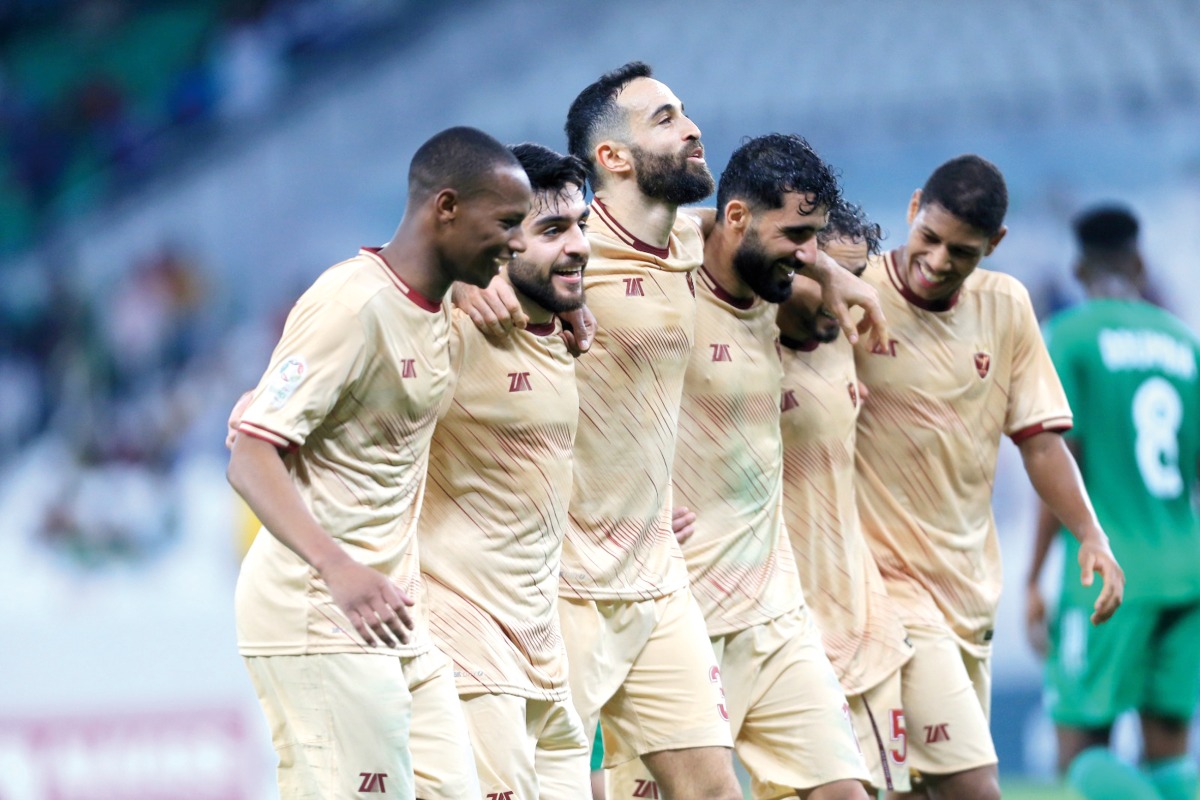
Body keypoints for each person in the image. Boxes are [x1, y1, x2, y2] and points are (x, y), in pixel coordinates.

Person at [226, 126, 530, 799]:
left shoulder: (440, 299)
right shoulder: (350, 304)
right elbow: (250, 453)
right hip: (320, 610)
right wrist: (338, 567)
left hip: (394, 612)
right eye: (507, 223)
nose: (516, 243)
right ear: (445, 207)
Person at [851, 155, 1125, 800]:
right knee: (975, 786)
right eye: (930, 239)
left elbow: (1040, 440)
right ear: (914, 208)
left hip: (970, 595)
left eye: (963, 252)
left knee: (910, 791)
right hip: (884, 592)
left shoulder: (1005, 307)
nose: (940, 261)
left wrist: (1090, 533)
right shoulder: (856, 292)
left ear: (994, 244)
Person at [608, 133, 872, 800]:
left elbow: (809, 263)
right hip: (680, 619)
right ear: (734, 219)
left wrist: (825, 269)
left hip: (775, 614)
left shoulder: (776, 292)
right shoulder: (668, 285)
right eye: (796, 235)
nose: (808, 254)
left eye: (814, 238)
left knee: (845, 791)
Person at [420, 142, 592, 798]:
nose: (577, 246)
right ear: (500, 245)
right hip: (464, 638)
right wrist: (457, 280)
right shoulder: (454, 324)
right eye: (552, 231)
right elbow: (382, 288)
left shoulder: (568, 328)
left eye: (581, 225)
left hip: (545, 651)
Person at [1025, 205, 1200, 800]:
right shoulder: (1184, 342)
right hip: (1185, 571)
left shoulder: (1070, 337)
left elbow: (1057, 461)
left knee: (1077, 753)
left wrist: (1032, 578)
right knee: (1169, 753)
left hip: (1108, 575)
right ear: (1140, 263)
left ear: (1078, 268)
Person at [777, 200, 915, 794]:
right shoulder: (728, 337)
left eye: (857, 276)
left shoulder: (846, 336)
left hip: (858, 616)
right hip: (771, 620)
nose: (847, 295)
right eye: (834, 276)